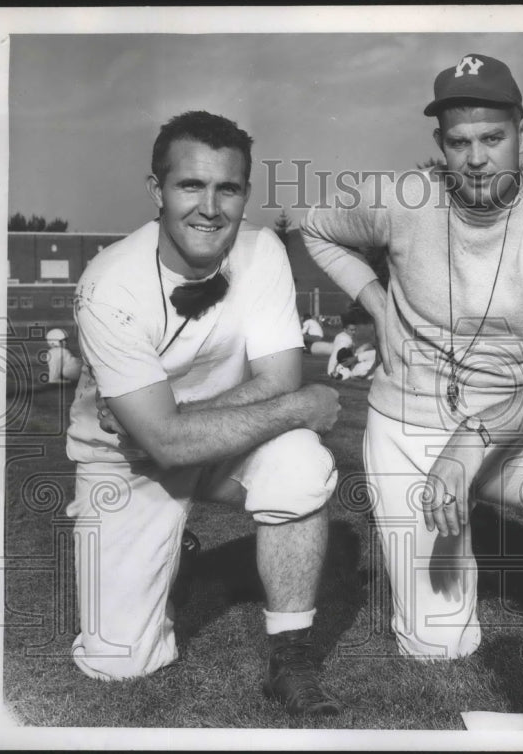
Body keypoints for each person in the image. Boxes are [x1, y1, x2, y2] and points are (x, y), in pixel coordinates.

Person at [301, 54, 523, 731]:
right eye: (460, 142)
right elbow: (315, 225)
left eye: (493, 138)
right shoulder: (401, 200)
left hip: (501, 427)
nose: (478, 158)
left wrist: (477, 437)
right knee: (437, 647)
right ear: (440, 146)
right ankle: (450, 580)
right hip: (406, 422)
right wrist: (374, 298)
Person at [65, 111, 343, 716]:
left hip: (217, 446)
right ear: (156, 192)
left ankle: (291, 656)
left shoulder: (262, 250)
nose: (210, 207)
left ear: (246, 194)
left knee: (299, 459)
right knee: (118, 662)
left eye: (229, 188)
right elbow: (162, 443)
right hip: (125, 459)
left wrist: (179, 416)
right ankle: (177, 553)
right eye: (191, 185)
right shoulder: (109, 283)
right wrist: (297, 406)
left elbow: (278, 377)